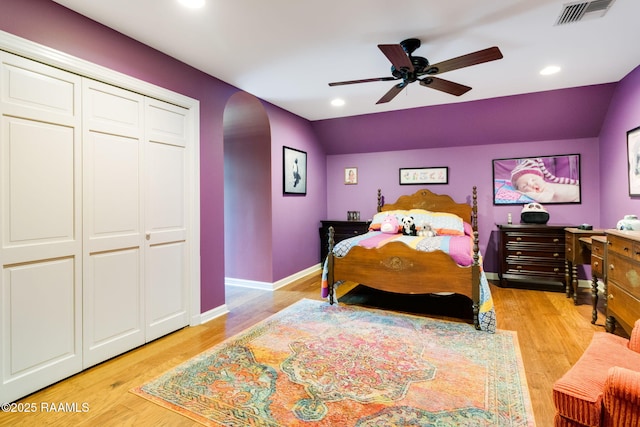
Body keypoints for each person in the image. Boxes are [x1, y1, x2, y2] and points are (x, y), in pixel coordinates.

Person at [511, 158, 580, 203]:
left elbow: (545, 199)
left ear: (542, 179)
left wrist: (525, 193)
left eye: (534, 179)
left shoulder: (547, 188)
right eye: (524, 186)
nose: (531, 184)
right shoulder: (543, 189)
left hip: (577, 196)